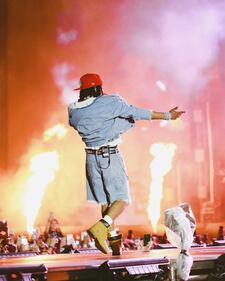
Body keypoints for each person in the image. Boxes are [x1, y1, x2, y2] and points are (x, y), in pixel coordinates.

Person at [68, 73, 185, 255]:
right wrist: (168, 115)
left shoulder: (73, 111)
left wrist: (119, 124)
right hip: (109, 156)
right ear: (99, 88)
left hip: (91, 158)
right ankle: (101, 227)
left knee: (106, 203)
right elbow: (136, 112)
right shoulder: (110, 102)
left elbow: (91, 122)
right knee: (122, 200)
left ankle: (114, 244)